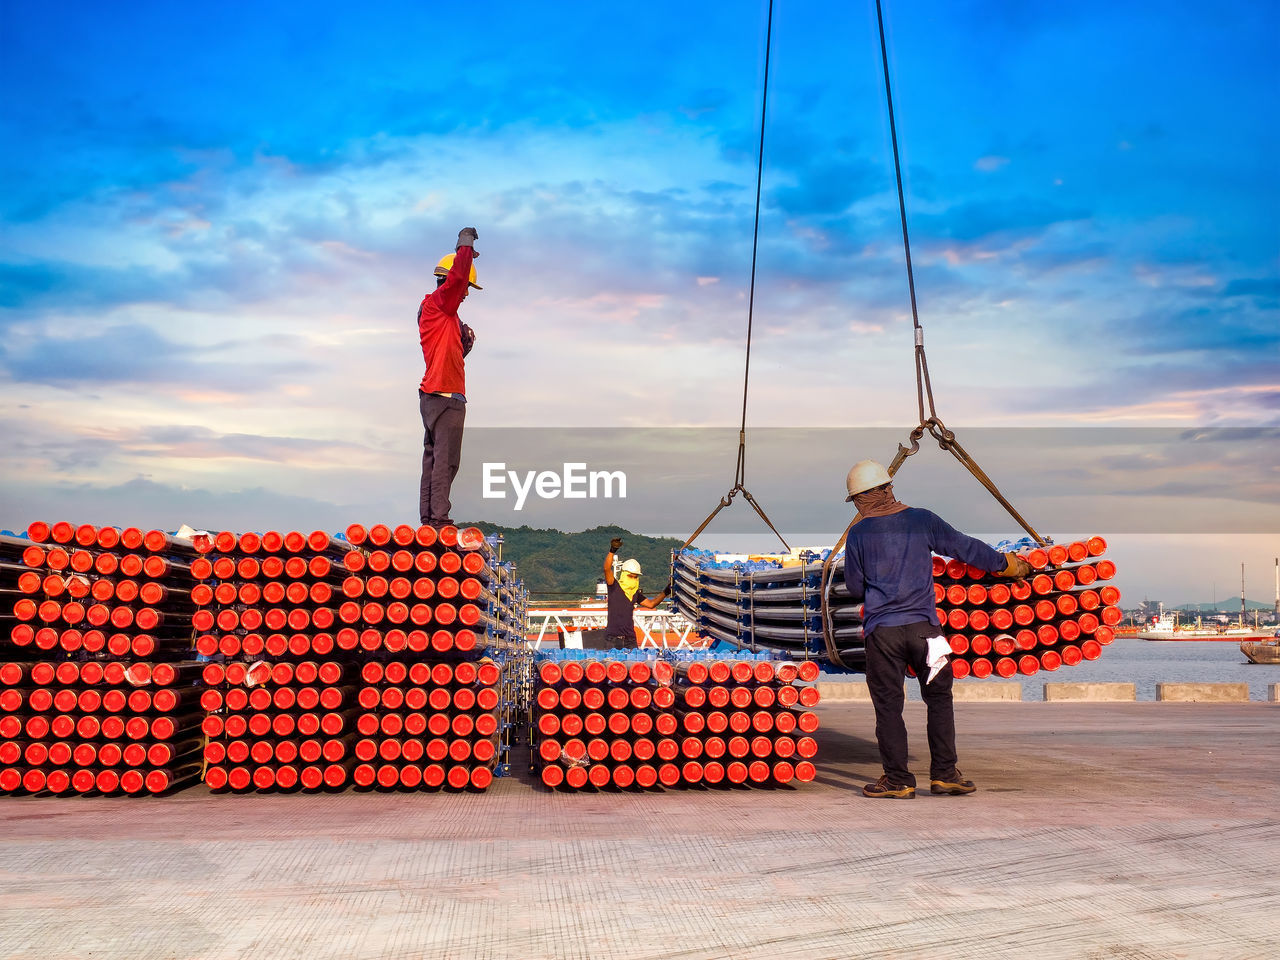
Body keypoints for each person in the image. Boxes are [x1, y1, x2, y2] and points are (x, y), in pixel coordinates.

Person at [841, 459, 1032, 799]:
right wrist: (1007, 564)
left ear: (858, 499)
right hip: (926, 632)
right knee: (939, 699)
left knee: (888, 706)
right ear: (888, 488)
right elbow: (964, 547)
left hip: (882, 634)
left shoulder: (857, 534)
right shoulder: (921, 520)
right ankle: (945, 774)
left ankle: (898, 780)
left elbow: (855, 587)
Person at [417, 227, 482, 527]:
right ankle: (439, 521)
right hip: (446, 396)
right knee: (446, 461)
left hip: (434, 393)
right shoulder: (442, 302)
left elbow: (447, 355)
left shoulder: (441, 314)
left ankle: (430, 519)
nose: (466, 293)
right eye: (466, 286)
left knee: (432, 460)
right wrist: (465, 245)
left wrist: (463, 344)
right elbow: (457, 280)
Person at [602, 537, 671, 647]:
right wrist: (612, 550)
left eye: (635, 577)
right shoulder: (614, 586)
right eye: (630, 576)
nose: (633, 579)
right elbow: (607, 569)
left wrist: (666, 592)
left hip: (630, 639)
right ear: (624, 574)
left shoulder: (635, 594)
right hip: (613, 639)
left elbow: (651, 604)